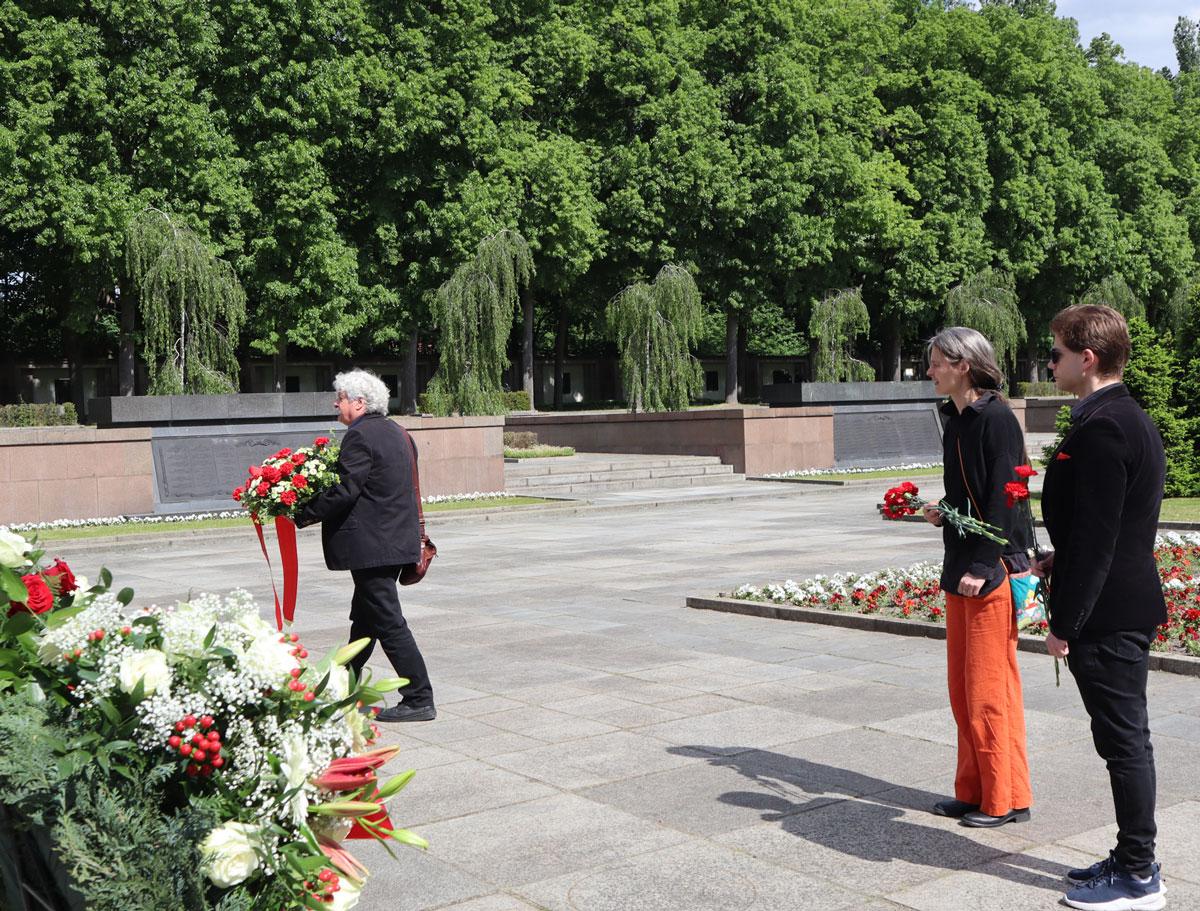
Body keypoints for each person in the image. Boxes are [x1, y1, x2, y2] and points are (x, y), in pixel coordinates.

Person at [1035, 305, 1166, 911]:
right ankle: (1132, 855)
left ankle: (1140, 875)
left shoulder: (1106, 427)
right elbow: (1105, 529)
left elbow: (1098, 540)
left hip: (1109, 613)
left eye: (1056, 352)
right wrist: (1061, 561)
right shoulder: (1118, 417)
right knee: (1122, 741)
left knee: (1123, 743)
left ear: (1086, 359)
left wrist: (1064, 625)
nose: (1049, 361)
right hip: (1118, 599)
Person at [922, 327, 1033, 828]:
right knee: (962, 688)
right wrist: (943, 511)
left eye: (937, 363)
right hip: (960, 568)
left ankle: (1005, 799)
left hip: (989, 571)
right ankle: (973, 789)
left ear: (964, 365)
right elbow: (971, 493)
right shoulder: (957, 418)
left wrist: (986, 565)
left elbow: (1009, 496)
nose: (930, 371)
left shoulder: (997, 419)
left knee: (990, 689)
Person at [296, 369, 436, 723]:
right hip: (392, 541)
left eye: (340, 397)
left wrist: (302, 512)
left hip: (373, 546)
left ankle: (419, 697)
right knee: (365, 620)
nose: (336, 403)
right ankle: (341, 688)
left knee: (388, 622)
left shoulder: (359, 437)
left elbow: (347, 489)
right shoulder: (397, 432)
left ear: (359, 403)